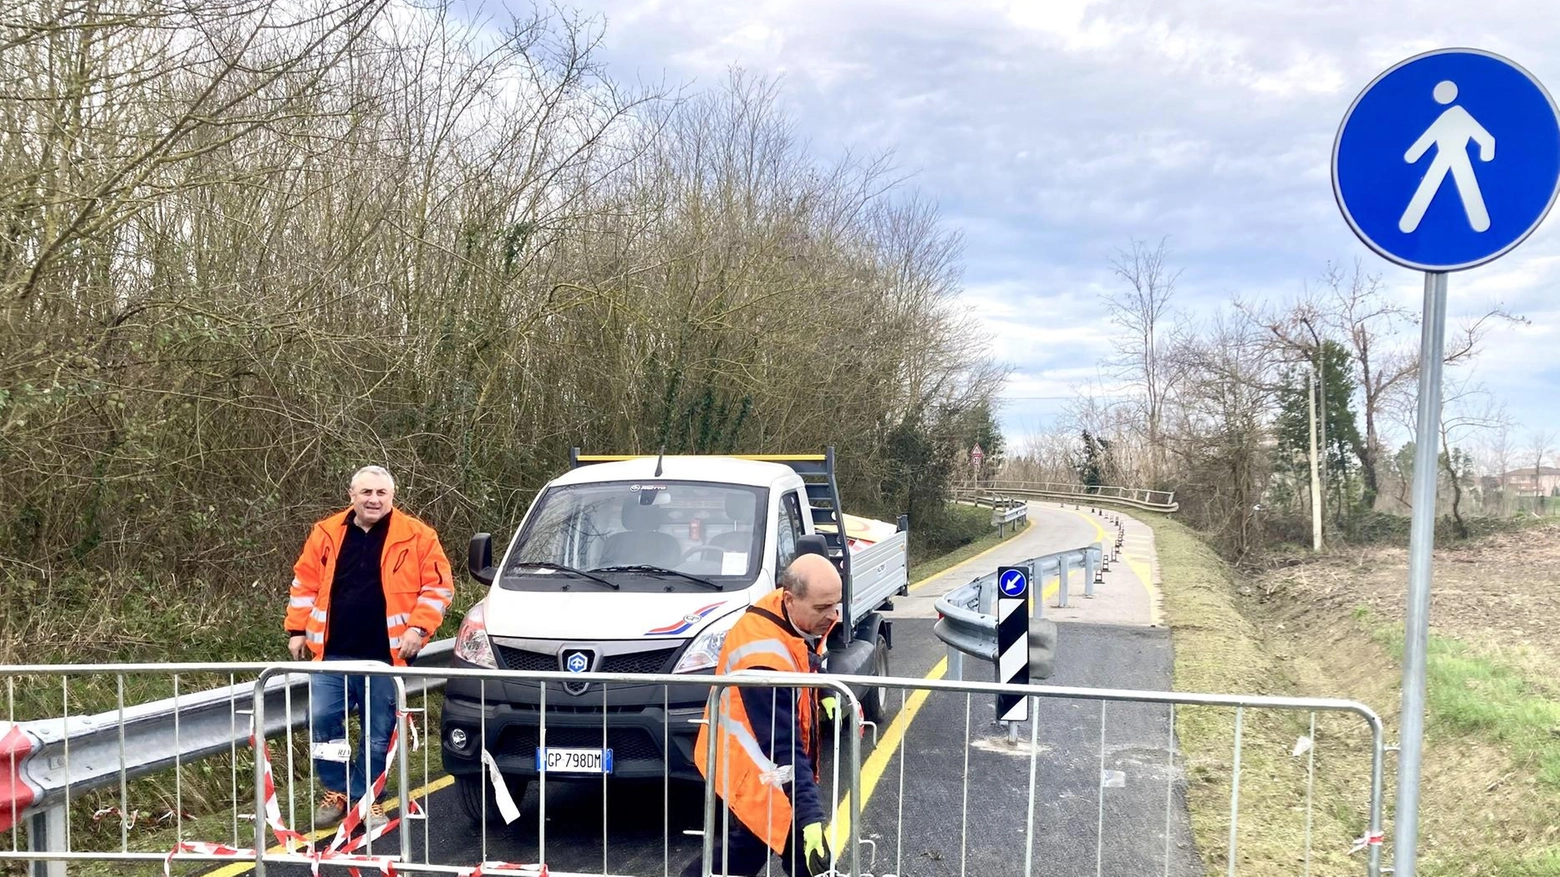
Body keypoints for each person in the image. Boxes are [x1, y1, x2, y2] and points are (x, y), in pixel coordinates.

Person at [285, 465, 454, 827]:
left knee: (378, 733)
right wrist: (297, 629)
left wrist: (419, 629)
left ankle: (369, 796)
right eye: (366, 493)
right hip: (332, 653)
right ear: (352, 495)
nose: (374, 499)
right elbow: (304, 584)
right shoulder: (327, 533)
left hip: (386, 656)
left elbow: (438, 589)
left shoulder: (418, 536)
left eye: (381, 493)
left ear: (392, 497)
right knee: (323, 721)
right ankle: (339, 790)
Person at [683, 552, 842, 877]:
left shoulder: (788, 611)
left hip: (760, 751)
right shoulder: (761, 660)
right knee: (801, 844)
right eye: (822, 608)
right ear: (790, 599)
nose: (833, 615)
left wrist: (821, 689)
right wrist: (811, 816)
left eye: (835, 604)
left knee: (751, 846)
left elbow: (805, 652)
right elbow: (783, 746)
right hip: (750, 760)